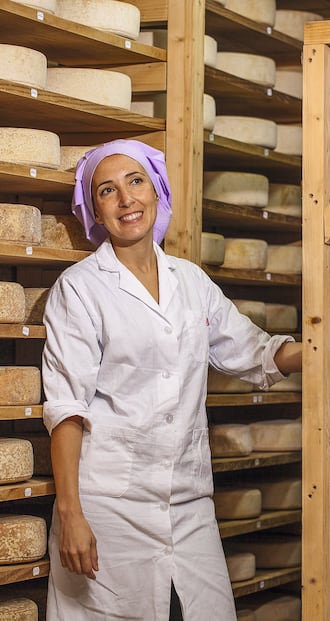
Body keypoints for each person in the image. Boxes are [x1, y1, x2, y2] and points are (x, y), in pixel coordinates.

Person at [42, 138, 302, 621]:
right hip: (111, 507)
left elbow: (255, 353)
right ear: (94, 211)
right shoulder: (79, 289)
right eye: (107, 190)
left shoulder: (191, 281)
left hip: (189, 505)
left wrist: (326, 347)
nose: (126, 200)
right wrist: (71, 512)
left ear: (157, 190)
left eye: (135, 182)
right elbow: (66, 408)